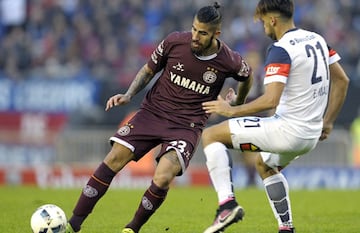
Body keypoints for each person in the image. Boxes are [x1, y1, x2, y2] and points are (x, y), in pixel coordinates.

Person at [65, 2, 253, 233]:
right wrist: (128, 94)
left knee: (163, 177)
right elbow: (148, 70)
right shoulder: (174, 41)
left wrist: (236, 104)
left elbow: (247, 76)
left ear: (216, 34)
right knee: (114, 158)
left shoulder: (228, 59)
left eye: (202, 33)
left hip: (186, 126)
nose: (195, 36)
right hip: (152, 113)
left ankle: (132, 228)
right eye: (194, 29)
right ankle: (72, 224)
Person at [201, 0, 350, 233]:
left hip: (288, 131)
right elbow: (342, 80)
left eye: (262, 22)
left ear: (272, 19)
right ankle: (286, 228)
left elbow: (271, 100)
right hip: (310, 134)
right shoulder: (317, 40)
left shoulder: (281, 49)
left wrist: (231, 110)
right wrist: (328, 120)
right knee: (264, 163)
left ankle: (226, 206)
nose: (263, 28)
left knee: (210, 136)